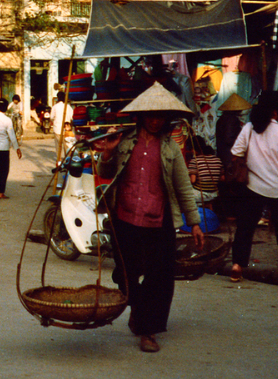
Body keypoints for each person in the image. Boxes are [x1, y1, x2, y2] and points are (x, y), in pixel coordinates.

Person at [91, 82, 203, 354]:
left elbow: (183, 187)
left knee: (159, 278)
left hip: (159, 221)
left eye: (160, 116)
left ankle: (148, 330)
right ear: (141, 116)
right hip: (124, 218)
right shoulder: (124, 141)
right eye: (150, 115)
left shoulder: (170, 148)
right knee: (124, 275)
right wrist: (107, 152)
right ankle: (140, 312)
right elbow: (104, 172)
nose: (155, 121)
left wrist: (195, 222)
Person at [229, 90, 278, 282]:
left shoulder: (248, 128)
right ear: (276, 112)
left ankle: (237, 265)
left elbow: (236, 153)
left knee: (245, 228)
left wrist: (253, 161)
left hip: (252, 186)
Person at [215, 93, 251, 218]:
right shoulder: (232, 120)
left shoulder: (222, 119)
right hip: (230, 158)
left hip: (224, 156)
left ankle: (228, 213)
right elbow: (228, 139)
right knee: (234, 185)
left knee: (227, 186)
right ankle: (232, 213)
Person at [188, 137, 224, 206]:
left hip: (200, 194)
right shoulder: (217, 159)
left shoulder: (195, 160)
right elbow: (222, 178)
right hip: (214, 194)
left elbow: (193, 180)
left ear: (194, 149)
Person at [50, 90, 74, 164]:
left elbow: (51, 117)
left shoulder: (55, 107)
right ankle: (68, 160)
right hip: (66, 129)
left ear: (58, 98)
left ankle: (59, 160)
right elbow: (72, 117)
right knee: (67, 146)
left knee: (58, 146)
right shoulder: (68, 107)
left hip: (57, 129)